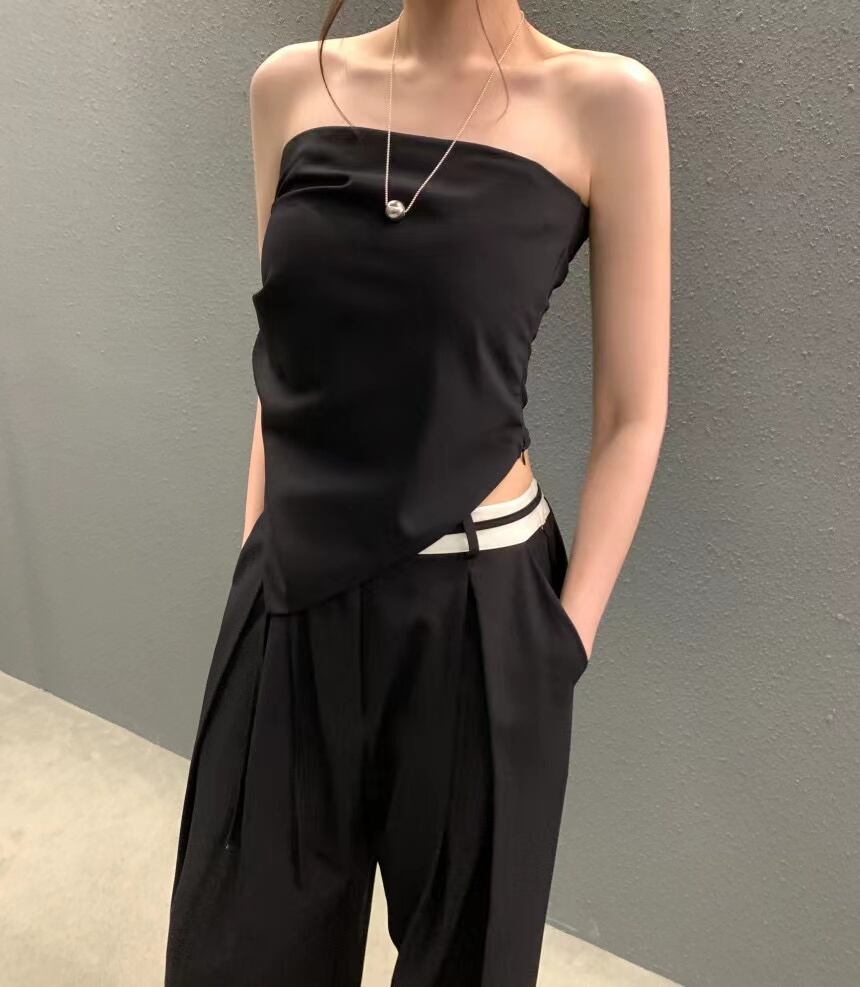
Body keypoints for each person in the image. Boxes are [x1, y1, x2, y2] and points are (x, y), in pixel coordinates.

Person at [164, 1, 670, 983]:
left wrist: (562, 644)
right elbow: (284, 360)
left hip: (477, 613)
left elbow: (631, 413)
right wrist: (254, 557)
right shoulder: (290, 87)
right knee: (235, 952)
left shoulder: (604, 102)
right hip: (289, 599)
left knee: (466, 963)